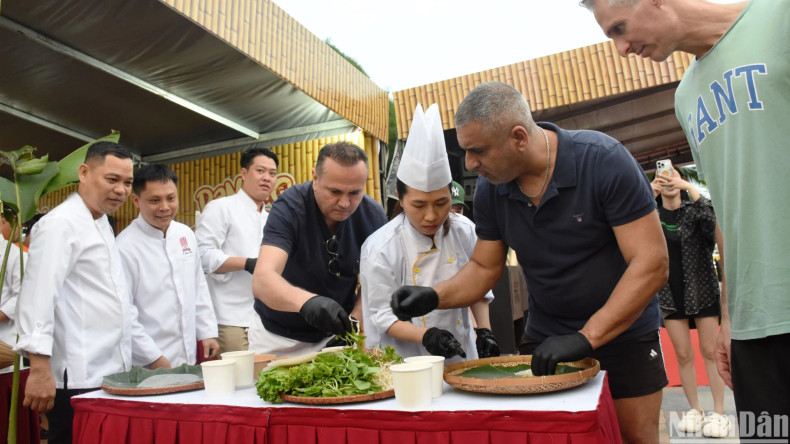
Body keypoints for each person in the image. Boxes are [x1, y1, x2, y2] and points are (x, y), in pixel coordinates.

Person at [390, 82, 669, 444]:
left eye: (478, 151)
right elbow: (484, 268)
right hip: (547, 334)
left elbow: (651, 262)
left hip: (623, 331)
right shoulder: (492, 188)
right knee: (549, 436)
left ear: (519, 137)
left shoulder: (602, 160)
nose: (470, 164)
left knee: (635, 437)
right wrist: (433, 296)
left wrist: (587, 336)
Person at [584, 0, 790, 437]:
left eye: (619, 28)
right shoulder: (686, 96)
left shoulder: (777, 16)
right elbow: (729, 210)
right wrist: (730, 317)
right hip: (753, 327)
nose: (620, 48)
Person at [14, 142, 167, 444]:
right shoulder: (60, 224)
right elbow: (38, 297)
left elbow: (119, 303)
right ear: (84, 173)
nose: (121, 190)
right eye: (112, 179)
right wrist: (40, 368)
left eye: (127, 183)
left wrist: (155, 360)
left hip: (110, 373)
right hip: (77, 376)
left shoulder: (102, 224)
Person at [360, 104, 499, 364]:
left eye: (441, 203)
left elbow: (478, 286)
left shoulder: (464, 230)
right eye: (419, 205)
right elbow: (382, 315)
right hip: (408, 362)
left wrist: (484, 330)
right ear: (400, 198)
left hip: (462, 358)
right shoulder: (379, 248)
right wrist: (427, 336)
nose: (432, 216)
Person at [250, 142, 387, 356]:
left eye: (355, 193)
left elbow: (375, 281)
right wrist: (307, 302)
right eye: (335, 191)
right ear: (315, 178)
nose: (345, 203)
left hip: (337, 336)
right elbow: (263, 279)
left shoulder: (372, 216)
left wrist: (354, 320)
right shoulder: (289, 208)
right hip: (277, 337)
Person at [652, 166, 729, 437]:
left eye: (672, 174)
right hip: (669, 295)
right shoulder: (653, 214)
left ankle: (719, 412)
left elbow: (712, 223)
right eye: (662, 175)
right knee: (683, 354)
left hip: (702, 290)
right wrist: (649, 193)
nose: (667, 179)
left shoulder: (694, 210)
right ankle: (695, 409)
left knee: (710, 351)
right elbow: (634, 228)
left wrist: (689, 188)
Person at [117, 163, 219, 367]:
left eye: (171, 198)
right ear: (136, 200)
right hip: (149, 361)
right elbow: (124, 312)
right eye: (155, 200)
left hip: (188, 354)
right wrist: (153, 357)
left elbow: (198, 286)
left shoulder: (185, 234)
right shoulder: (124, 247)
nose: (165, 207)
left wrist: (207, 332)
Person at [195, 147, 278, 354]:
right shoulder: (221, 208)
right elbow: (202, 256)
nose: (266, 178)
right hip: (230, 317)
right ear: (243, 173)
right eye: (260, 171)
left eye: (272, 173)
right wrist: (247, 263)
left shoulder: (271, 219)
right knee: (239, 373)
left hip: (264, 318)